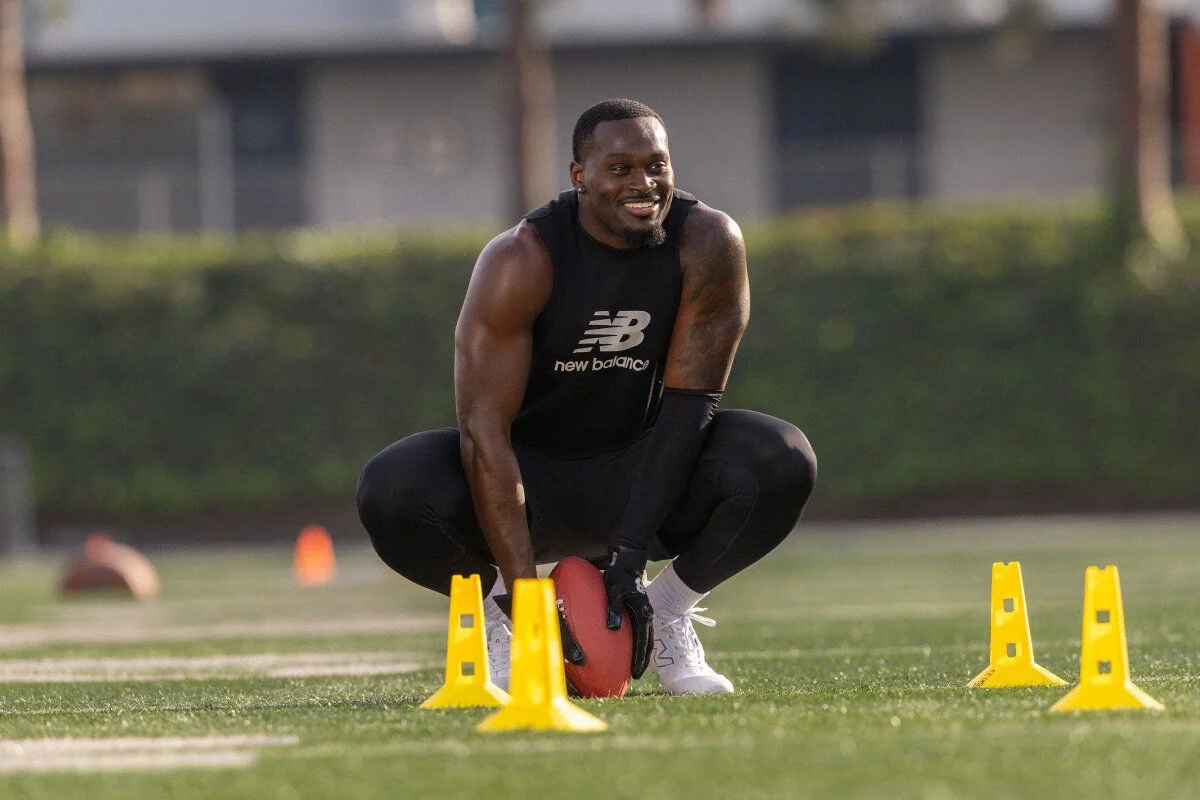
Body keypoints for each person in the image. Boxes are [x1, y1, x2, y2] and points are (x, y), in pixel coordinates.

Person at [357, 98, 817, 695]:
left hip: (643, 467)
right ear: (581, 177)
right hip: (530, 478)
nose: (643, 183)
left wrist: (630, 555)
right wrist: (526, 605)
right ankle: (504, 625)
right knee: (392, 488)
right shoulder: (521, 258)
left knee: (780, 456)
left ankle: (672, 611)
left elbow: (689, 411)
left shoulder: (707, 241)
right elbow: (484, 432)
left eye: (657, 165)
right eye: (620, 168)